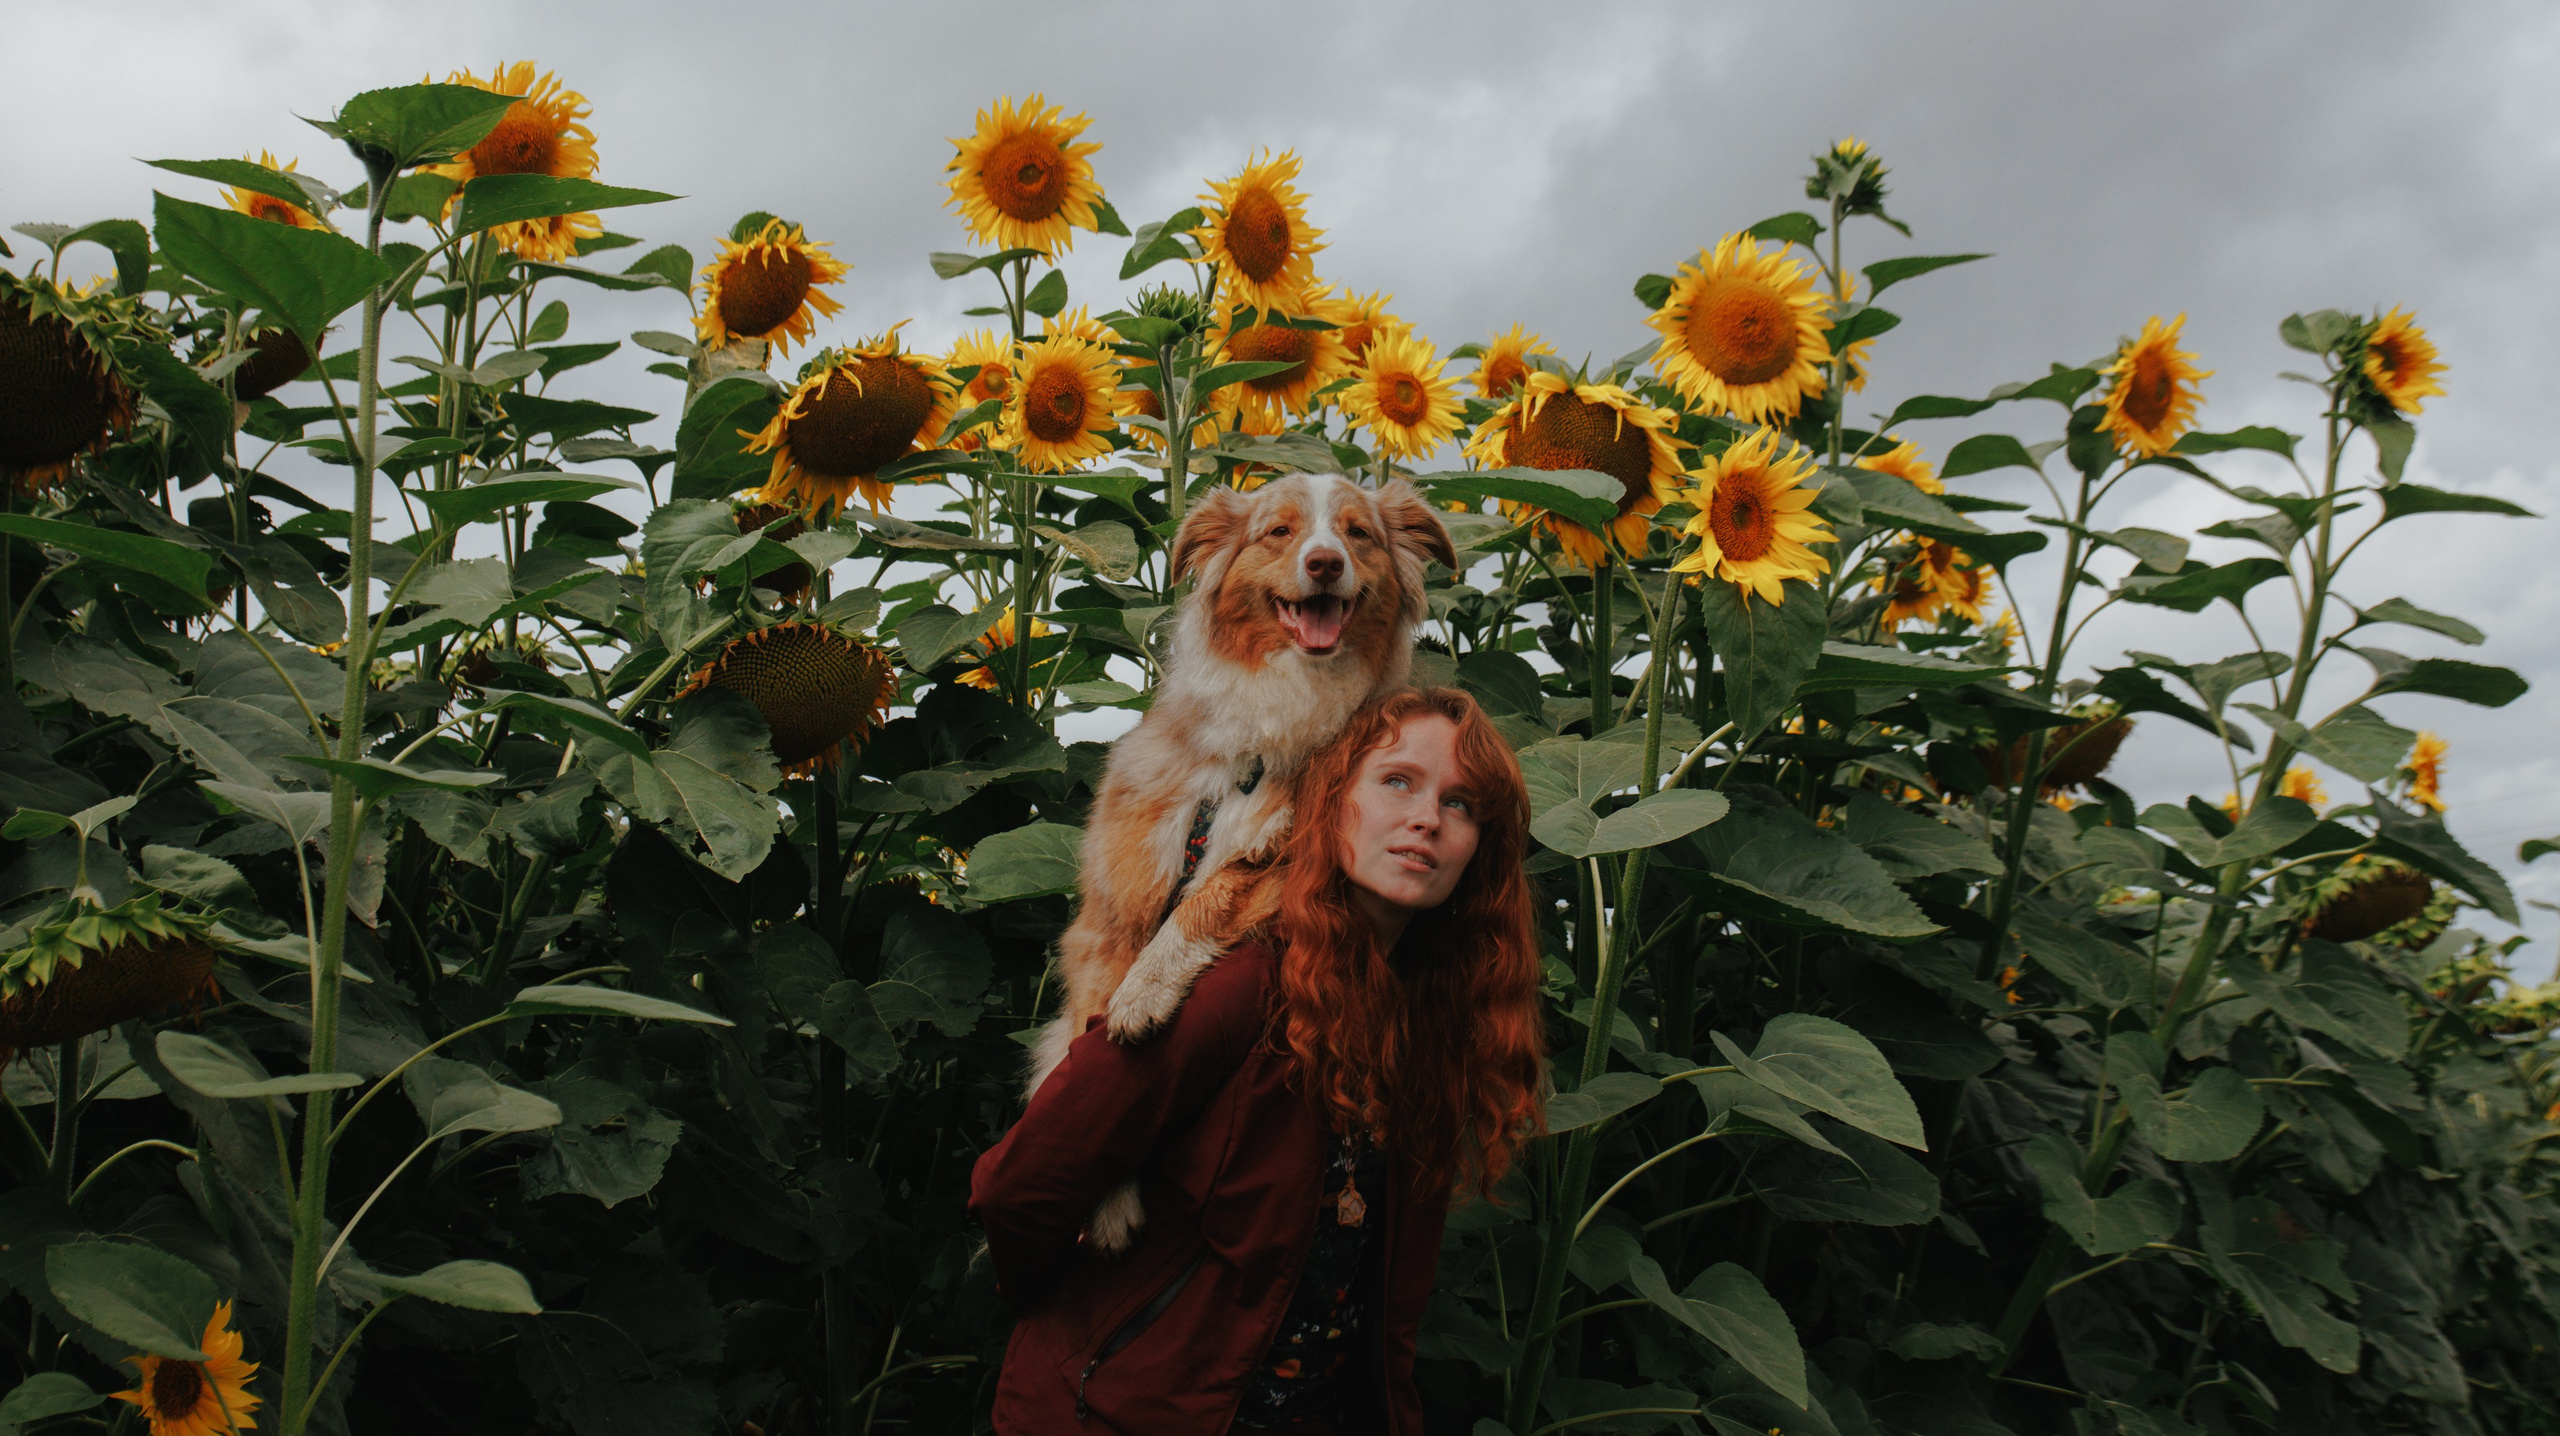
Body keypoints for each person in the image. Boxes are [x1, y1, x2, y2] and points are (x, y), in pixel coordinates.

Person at [970, 687, 1547, 1435]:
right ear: (1332, 799)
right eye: (1397, 781)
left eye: (1463, 803)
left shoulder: (1431, 1025)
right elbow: (1022, 1185)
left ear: (1480, 850)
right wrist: (1086, 1330)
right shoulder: (1239, 983)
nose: (1427, 818)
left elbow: (1381, 1301)